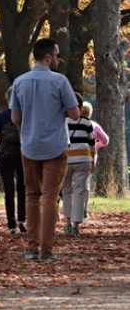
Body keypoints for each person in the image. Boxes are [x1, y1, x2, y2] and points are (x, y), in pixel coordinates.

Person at [10, 38, 80, 262]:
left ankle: (31, 248)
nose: (59, 60)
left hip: (29, 146)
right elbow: (75, 115)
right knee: (50, 197)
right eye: (57, 56)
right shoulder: (60, 82)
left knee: (32, 195)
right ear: (48, 57)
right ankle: (46, 251)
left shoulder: (19, 82)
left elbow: (15, 118)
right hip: (55, 146)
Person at [0, 87, 27, 235]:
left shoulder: (0, 117)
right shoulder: (25, 115)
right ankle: (22, 219)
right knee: (23, 188)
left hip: (5, 156)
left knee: (9, 191)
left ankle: (11, 225)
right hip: (23, 155)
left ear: (8, 99)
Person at [61, 93, 96, 236]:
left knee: (66, 191)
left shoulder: (62, 122)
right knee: (80, 191)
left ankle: (68, 222)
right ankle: (76, 224)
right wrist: (92, 160)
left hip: (65, 160)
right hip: (83, 159)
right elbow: (92, 144)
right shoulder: (87, 123)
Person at [83, 102, 108, 220]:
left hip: (72, 156)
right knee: (86, 183)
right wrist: (97, 144)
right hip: (90, 156)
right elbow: (106, 140)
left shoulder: (71, 124)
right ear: (90, 113)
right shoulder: (94, 125)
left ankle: (73, 209)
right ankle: (83, 210)